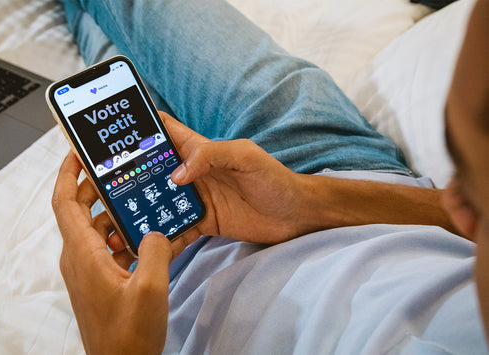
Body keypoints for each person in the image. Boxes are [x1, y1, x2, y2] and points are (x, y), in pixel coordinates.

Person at [52, 0, 488, 353]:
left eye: (466, 192)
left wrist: (119, 349)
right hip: (324, 172)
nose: (452, 202)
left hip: (176, 278)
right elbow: (447, 212)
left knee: (101, 54)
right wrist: (305, 201)